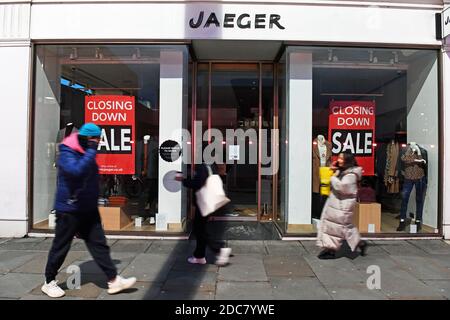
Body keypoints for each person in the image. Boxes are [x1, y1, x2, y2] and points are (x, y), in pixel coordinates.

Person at [42, 123, 136, 298]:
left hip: (88, 208)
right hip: (69, 208)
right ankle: (49, 281)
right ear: (88, 138)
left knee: (99, 244)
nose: (99, 142)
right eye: (97, 139)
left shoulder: (86, 151)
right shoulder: (68, 151)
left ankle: (113, 280)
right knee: (61, 246)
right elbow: (76, 172)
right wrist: (92, 150)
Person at [176, 162, 232, 266]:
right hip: (208, 202)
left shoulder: (202, 166)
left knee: (199, 230)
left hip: (204, 202)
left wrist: (183, 180)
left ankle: (219, 250)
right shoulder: (210, 166)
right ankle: (199, 256)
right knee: (200, 229)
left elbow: (198, 183)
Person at [316, 152, 368, 259]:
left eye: (341, 158)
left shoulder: (351, 175)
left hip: (342, 206)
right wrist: (334, 169)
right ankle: (359, 243)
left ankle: (331, 250)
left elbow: (343, 187)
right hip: (337, 204)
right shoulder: (344, 171)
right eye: (339, 158)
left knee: (336, 227)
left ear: (347, 160)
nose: (338, 160)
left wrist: (332, 177)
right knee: (344, 227)